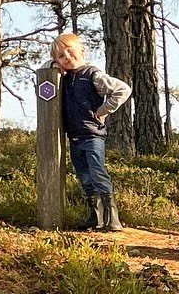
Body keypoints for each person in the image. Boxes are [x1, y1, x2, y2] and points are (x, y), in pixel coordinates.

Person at [52, 33, 131, 231]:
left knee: (98, 173)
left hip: (92, 135)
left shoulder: (92, 75)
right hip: (74, 137)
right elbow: (47, 65)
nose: (68, 57)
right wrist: (53, 65)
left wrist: (103, 111)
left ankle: (112, 217)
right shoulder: (64, 77)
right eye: (61, 56)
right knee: (84, 176)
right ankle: (94, 216)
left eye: (70, 51)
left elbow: (123, 89)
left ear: (82, 50)